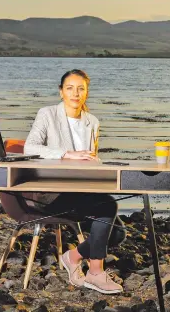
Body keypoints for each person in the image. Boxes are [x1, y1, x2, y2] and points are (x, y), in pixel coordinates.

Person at [24, 69, 126, 294]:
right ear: (61, 92)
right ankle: (96, 274)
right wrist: (65, 154)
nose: (75, 93)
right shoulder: (47, 114)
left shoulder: (92, 121)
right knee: (108, 207)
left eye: (81, 88)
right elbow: (29, 147)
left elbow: (89, 160)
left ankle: (73, 256)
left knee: (118, 233)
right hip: (50, 193)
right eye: (70, 88)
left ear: (87, 92)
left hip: (80, 191)